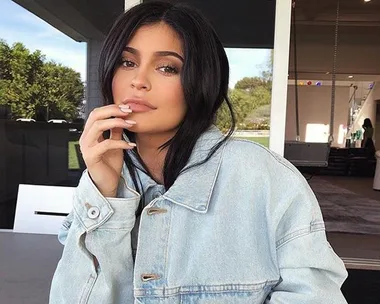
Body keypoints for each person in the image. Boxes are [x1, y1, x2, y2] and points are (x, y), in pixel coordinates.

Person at [49, 2, 348, 303]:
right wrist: (105, 194)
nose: (138, 80)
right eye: (127, 62)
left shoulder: (265, 178)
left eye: (168, 67)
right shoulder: (103, 182)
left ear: (201, 80)